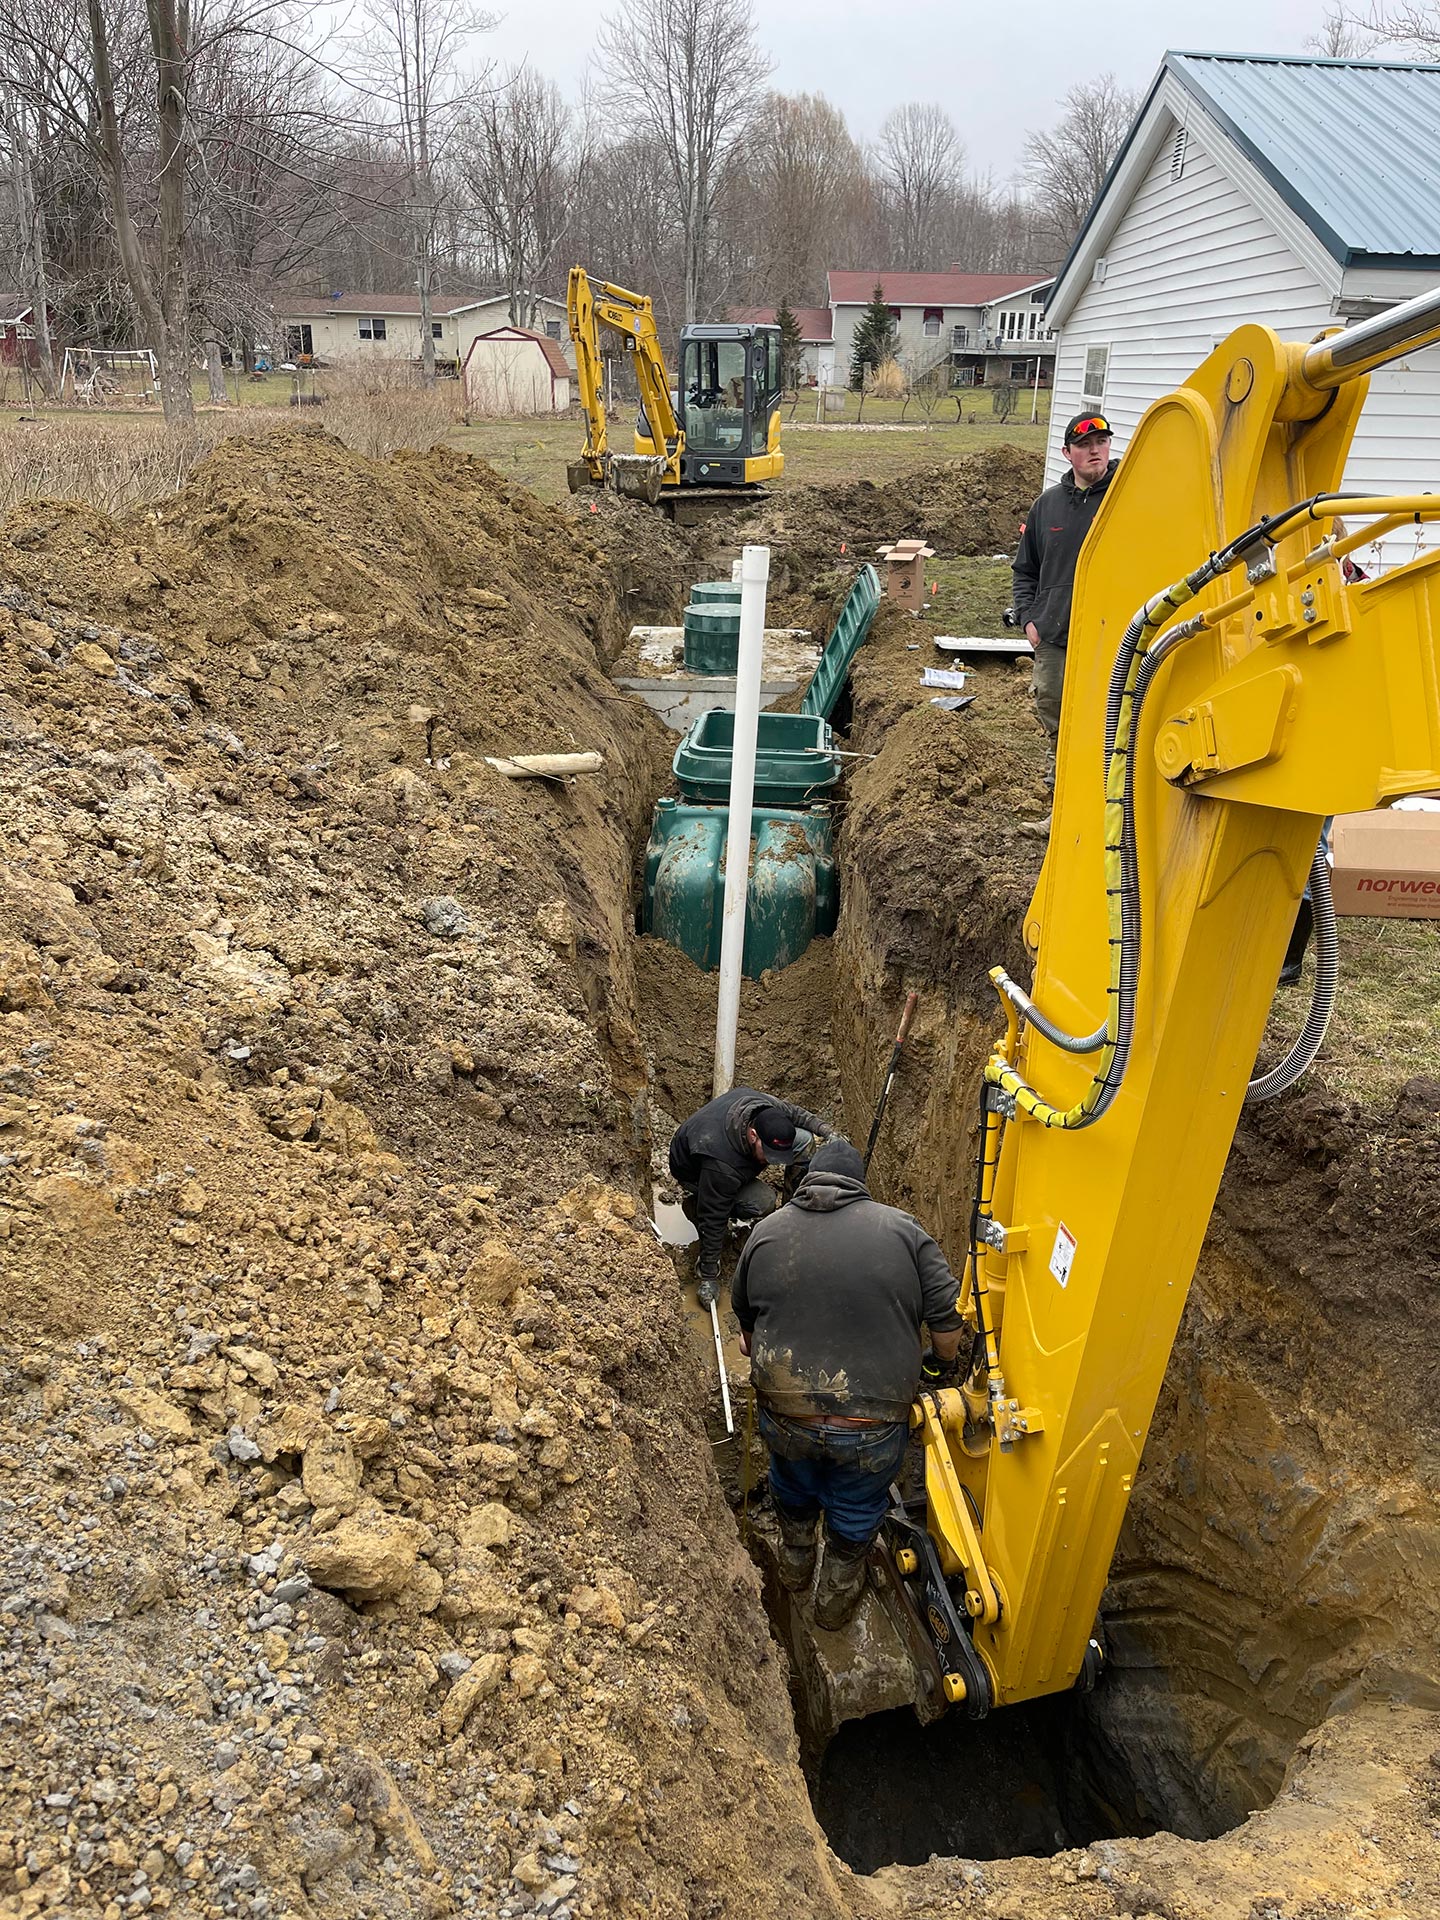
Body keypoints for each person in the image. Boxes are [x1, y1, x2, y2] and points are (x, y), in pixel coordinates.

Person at [731, 1138, 966, 1629]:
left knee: (791, 1485)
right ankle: (833, 1602)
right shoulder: (905, 1231)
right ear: (860, 1185)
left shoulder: (767, 1231)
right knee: (857, 1506)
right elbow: (947, 1326)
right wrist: (940, 1367)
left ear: (808, 1180)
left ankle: (794, 1570)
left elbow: (748, 1331)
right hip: (872, 1421)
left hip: (786, 1413)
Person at [1012, 411, 1120, 834]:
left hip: (1113, 636)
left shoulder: (1124, 498)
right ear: (1068, 452)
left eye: (1102, 442)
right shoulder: (1047, 506)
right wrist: (1029, 620)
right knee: (1059, 722)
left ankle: (1109, 819)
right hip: (1055, 636)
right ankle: (1062, 815)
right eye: (1085, 445)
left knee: (1113, 725)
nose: (1095, 450)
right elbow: (1025, 570)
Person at [668, 1087, 832, 1306]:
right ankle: (695, 1204)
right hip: (695, 1170)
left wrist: (826, 1130)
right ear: (753, 1135)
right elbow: (714, 1216)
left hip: (727, 1154)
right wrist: (708, 1276)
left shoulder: (763, 1107)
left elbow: (794, 1113)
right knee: (762, 1202)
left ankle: (793, 1213)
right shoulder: (721, 1164)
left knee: (804, 1140)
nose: (774, 1161)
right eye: (770, 1155)